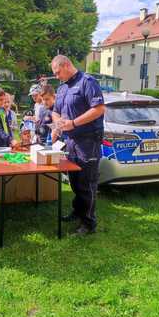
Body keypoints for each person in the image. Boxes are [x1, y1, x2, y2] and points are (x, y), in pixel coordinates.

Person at [51, 55, 105, 235]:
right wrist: (58, 123)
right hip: (70, 142)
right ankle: (78, 211)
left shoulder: (87, 82)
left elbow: (98, 109)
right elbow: (55, 112)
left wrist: (73, 123)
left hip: (88, 141)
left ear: (66, 65)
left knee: (87, 183)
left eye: (58, 72)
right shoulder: (62, 87)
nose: (57, 76)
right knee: (74, 181)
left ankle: (88, 223)